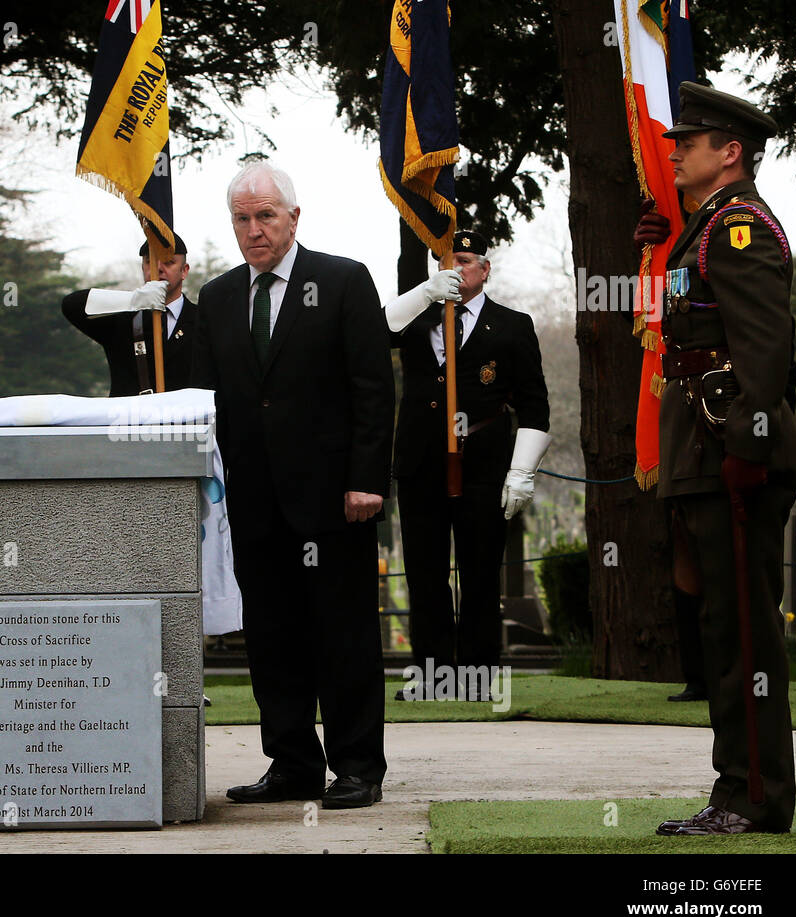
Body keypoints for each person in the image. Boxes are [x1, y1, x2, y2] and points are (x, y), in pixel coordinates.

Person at [191, 161, 392, 809]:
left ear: (293, 217)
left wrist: (366, 479)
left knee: (345, 636)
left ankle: (357, 766)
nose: (254, 230)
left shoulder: (340, 281)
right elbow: (205, 398)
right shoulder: (218, 297)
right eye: (242, 219)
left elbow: (372, 388)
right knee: (272, 637)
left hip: (336, 502)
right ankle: (292, 763)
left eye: (265, 216)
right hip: (251, 503)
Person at [640, 82, 796, 836]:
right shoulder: (705, 226)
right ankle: (735, 787)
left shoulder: (738, 227)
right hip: (707, 456)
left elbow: (764, 352)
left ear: (730, 152)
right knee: (722, 632)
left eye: (691, 142)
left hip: (731, 457)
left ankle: (756, 797)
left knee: (745, 635)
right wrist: (657, 248)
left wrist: (748, 447)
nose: (675, 152)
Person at [384, 231, 550, 700]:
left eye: (463, 261)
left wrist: (522, 470)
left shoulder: (512, 325)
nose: (453, 269)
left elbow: (535, 406)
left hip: (483, 462)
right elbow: (378, 332)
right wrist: (424, 293)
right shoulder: (418, 318)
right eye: (444, 262)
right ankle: (433, 677)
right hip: (422, 462)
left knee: (479, 572)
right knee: (425, 572)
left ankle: (477, 676)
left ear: (485, 268)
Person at [62, 235, 197, 394]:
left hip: (187, 417)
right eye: (150, 262)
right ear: (142, 267)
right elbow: (71, 305)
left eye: (169, 262)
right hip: (130, 417)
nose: (158, 268)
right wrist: (134, 300)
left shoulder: (203, 320)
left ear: (184, 270)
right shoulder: (125, 319)